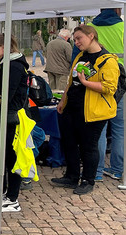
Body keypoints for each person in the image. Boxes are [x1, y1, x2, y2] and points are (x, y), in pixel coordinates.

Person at [51, 25, 119, 195]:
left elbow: (110, 87)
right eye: (74, 40)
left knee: (89, 146)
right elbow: (70, 80)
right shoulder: (81, 56)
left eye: (79, 38)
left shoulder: (108, 60)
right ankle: (72, 176)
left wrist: (86, 83)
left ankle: (88, 180)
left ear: (91, 36)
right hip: (72, 107)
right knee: (70, 142)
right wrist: (63, 100)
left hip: (93, 111)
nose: (76, 42)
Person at [0, 34, 30, 212]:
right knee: (0, 156)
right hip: (4, 116)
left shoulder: (14, 66)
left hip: (10, 117)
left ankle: (12, 198)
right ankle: (2, 191)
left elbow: (7, 94)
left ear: (4, 47)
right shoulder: (5, 64)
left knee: (11, 157)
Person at [91, 8, 125, 182]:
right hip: (121, 83)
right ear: (118, 10)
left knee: (99, 129)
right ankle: (118, 170)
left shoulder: (90, 28)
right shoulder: (123, 27)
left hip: (97, 84)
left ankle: (96, 171)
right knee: (120, 129)